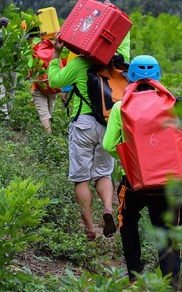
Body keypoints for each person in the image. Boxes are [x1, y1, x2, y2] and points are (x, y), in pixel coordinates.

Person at [102, 55, 182, 288]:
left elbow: (109, 145)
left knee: (127, 221)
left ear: (131, 77)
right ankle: (170, 283)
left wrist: (132, 160)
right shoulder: (173, 103)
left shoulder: (120, 107)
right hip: (169, 184)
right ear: (157, 76)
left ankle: (135, 276)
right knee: (168, 231)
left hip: (135, 183)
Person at [47, 31, 118, 241]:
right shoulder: (113, 62)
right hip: (107, 124)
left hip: (84, 124)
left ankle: (89, 228)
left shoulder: (79, 64)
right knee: (104, 174)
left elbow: (54, 81)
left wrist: (56, 53)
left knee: (81, 178)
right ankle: (107, 208)